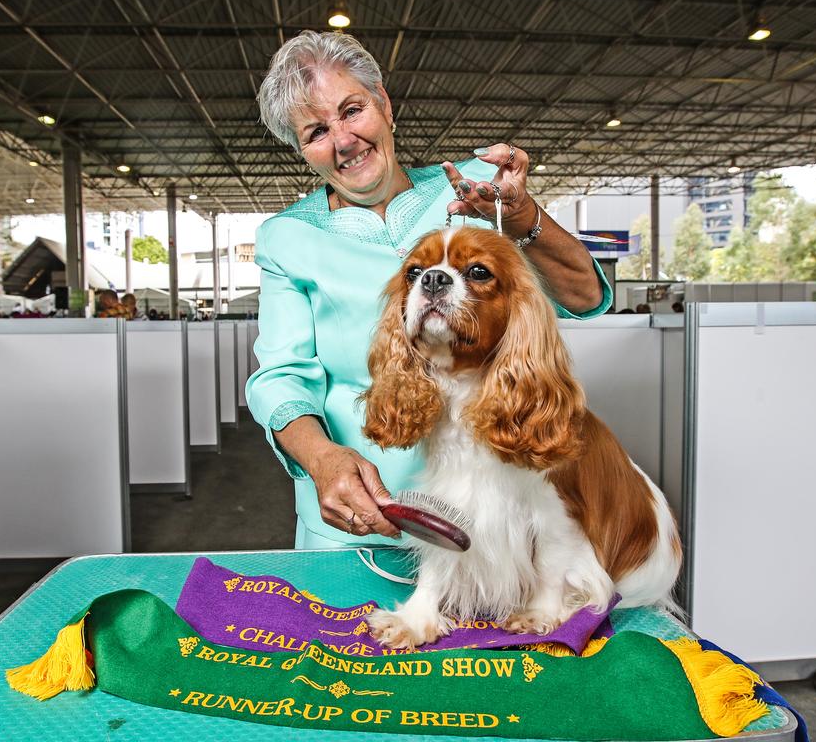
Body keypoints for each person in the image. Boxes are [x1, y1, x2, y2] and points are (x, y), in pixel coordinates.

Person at [245, 30, 612, 550]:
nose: (344, 140)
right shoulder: (286, 238)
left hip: (492, 518)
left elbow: (582, 297)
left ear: (384, 105)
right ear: (302, 151)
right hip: (359, 524)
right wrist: (322, 458)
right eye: (316, 132)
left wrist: (521, 217)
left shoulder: (470, 190)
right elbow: (280, 378)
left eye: (352, 111)